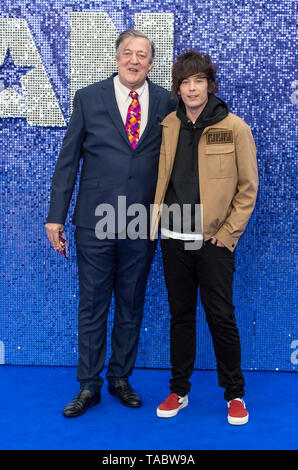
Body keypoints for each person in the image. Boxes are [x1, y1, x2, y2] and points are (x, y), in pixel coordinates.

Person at [45, 30, 176, 417]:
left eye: (142, 55)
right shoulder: (88, 98)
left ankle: (121, 378)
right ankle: (89, 385)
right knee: (93, 304)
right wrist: (56, 217)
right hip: (94, 221)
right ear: (116, 58)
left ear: (151, 63)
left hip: (141, 221)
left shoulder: (167, 103)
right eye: (128, 54)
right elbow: (68, 161)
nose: (134, 61)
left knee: (131, 303)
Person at [150, 50, 258, 425]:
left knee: (221, 316)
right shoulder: (168, 124)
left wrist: (227, 235)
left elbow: (248, 188)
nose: (192, 88)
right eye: (185, 82)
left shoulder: (235, 127)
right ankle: (179, 389)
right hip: (173, 236)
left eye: (198, 80)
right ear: (178, 89)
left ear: (209, 85)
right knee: (180, 316)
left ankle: (235, 394)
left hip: (213, 241)